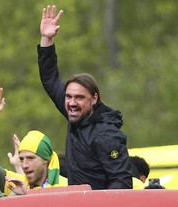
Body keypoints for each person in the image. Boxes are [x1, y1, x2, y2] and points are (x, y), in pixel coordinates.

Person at [37, 5, 131, 189]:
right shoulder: (75, 115)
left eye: (79, 97)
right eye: (68, 97)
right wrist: (46, 39)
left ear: (94, 99)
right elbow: (50, 79)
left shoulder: (106, 134)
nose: (72, 103)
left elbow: (121, 182)